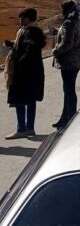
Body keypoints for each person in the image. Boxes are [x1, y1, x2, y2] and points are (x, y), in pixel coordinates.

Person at [4, 8, 46, 139]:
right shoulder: (32, 31)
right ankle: (29, 128)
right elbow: (26, 47)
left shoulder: (30, 32)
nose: (20, 20)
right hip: (32, 72)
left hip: (24, 72)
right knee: (30, 100)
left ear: (29, 18)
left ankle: (21, 128)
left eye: (23, 18)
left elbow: (30, 49)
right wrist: (13, 45)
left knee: (20, 100)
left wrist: (20, 63)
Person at [52, 0, 80, 129]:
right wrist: (58, 32)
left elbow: (67, 44)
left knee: (68, 90)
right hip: (76, 60)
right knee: (69, 89)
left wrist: (55, 50)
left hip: (68, 62)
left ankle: (69, 118)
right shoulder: (77, 21)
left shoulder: (68, 23)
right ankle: (65, 117)